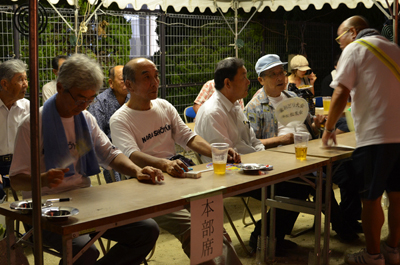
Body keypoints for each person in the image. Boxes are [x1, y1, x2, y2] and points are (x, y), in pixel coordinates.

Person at [9, 54, 163, 265]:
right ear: (61, 87)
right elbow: (16, 179)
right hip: (46, 210)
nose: (84, 105)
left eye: (90, 99)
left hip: (85, 202)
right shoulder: (32, 125)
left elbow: (109, 153)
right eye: (80, 98)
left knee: (147, 230)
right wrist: (43, 179)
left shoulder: (86, 119)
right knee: (83, 250)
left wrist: (136, 170)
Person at [110, 57, 242, 265]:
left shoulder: (163, 106)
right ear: (128, 84)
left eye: (156, 76)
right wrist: (164, 165)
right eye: (147, 78)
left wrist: (219, 151)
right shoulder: (120, 119)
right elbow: (132, 154)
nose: (155, 83)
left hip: (178, 179)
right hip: (147, 187)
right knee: (194, 228)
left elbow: (188, 137)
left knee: (212, 222)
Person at [244, 54, 358, 255]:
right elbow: (251, 146)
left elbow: (310, 129)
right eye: (273, 74)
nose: (280, 77)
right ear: (261, 79)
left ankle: (348, 221)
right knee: (318, 182)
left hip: (311, 152)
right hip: (281, 161)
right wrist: (280, 140)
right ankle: (343, 228)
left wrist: (316, 124)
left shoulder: (294, 98)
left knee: (349, 168)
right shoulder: (254, 107)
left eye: (281, 72)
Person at [322, 15, 400, 265]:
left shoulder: (355, 48)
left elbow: (341, 91)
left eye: (339, 37)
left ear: (353, 32)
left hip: (377, 135)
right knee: (398, 196)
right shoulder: (393, 48)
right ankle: (393, 249)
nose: (339, 43)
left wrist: (329, 127)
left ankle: (373, 255)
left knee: (371, 198)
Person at [195, 57, 265, 162]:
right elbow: (229, 157)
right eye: (243, 78)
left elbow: (254, 141)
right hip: (230, 171)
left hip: (250, 163)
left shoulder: (235, 104)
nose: (248, 82)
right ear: (227, 83)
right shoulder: (213, 113)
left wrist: (264, 157)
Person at [87, 65, 130, 183]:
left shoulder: (133, 98)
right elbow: (97, 137)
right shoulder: (99, 103)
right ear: (111, 83)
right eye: (122, 79)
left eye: (129, 78)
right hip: (110, 149)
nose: (127, 82)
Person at [0, 59, 30, 202]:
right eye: (20, 80)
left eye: (26, 79)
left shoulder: (27, 107)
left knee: (38, 191)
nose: (26, 84)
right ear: (4, 84)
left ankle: (34, 224)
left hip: (21, 162)